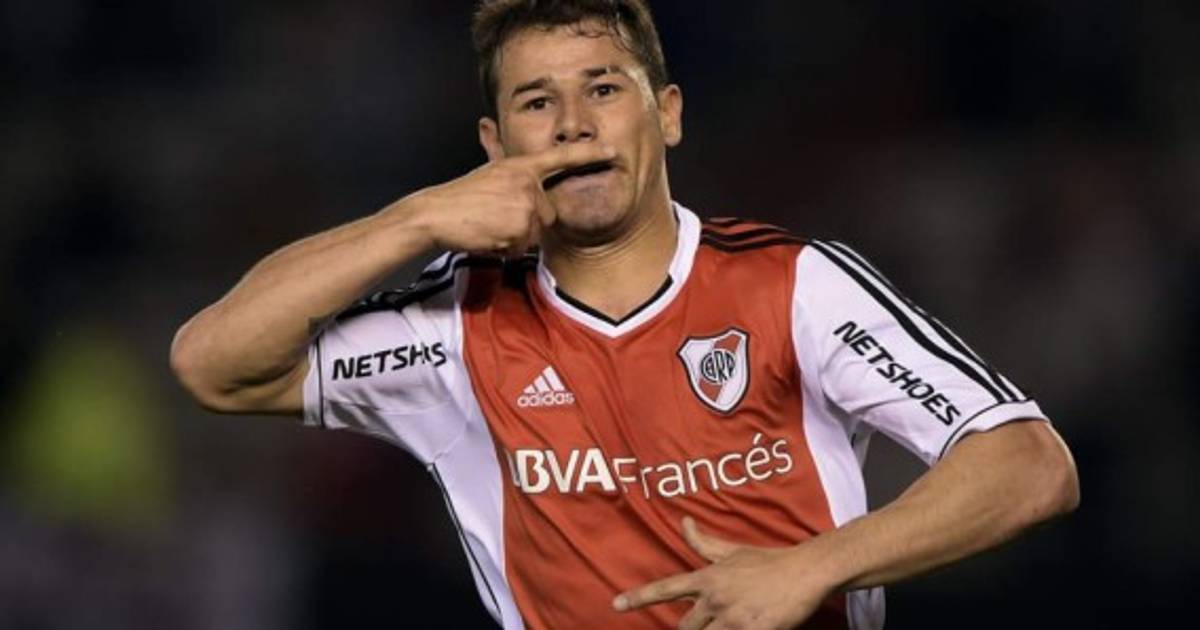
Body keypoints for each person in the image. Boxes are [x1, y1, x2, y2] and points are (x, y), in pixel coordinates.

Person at [170, 1, 1079, 628]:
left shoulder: (795, 285)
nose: (574, 123)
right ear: (494, 144)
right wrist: (413, 220)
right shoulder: (454, 327)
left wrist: (812, 566)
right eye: (537, 102)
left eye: (604, 88)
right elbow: (213, 364)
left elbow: (1029, 466)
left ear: (667, 114)